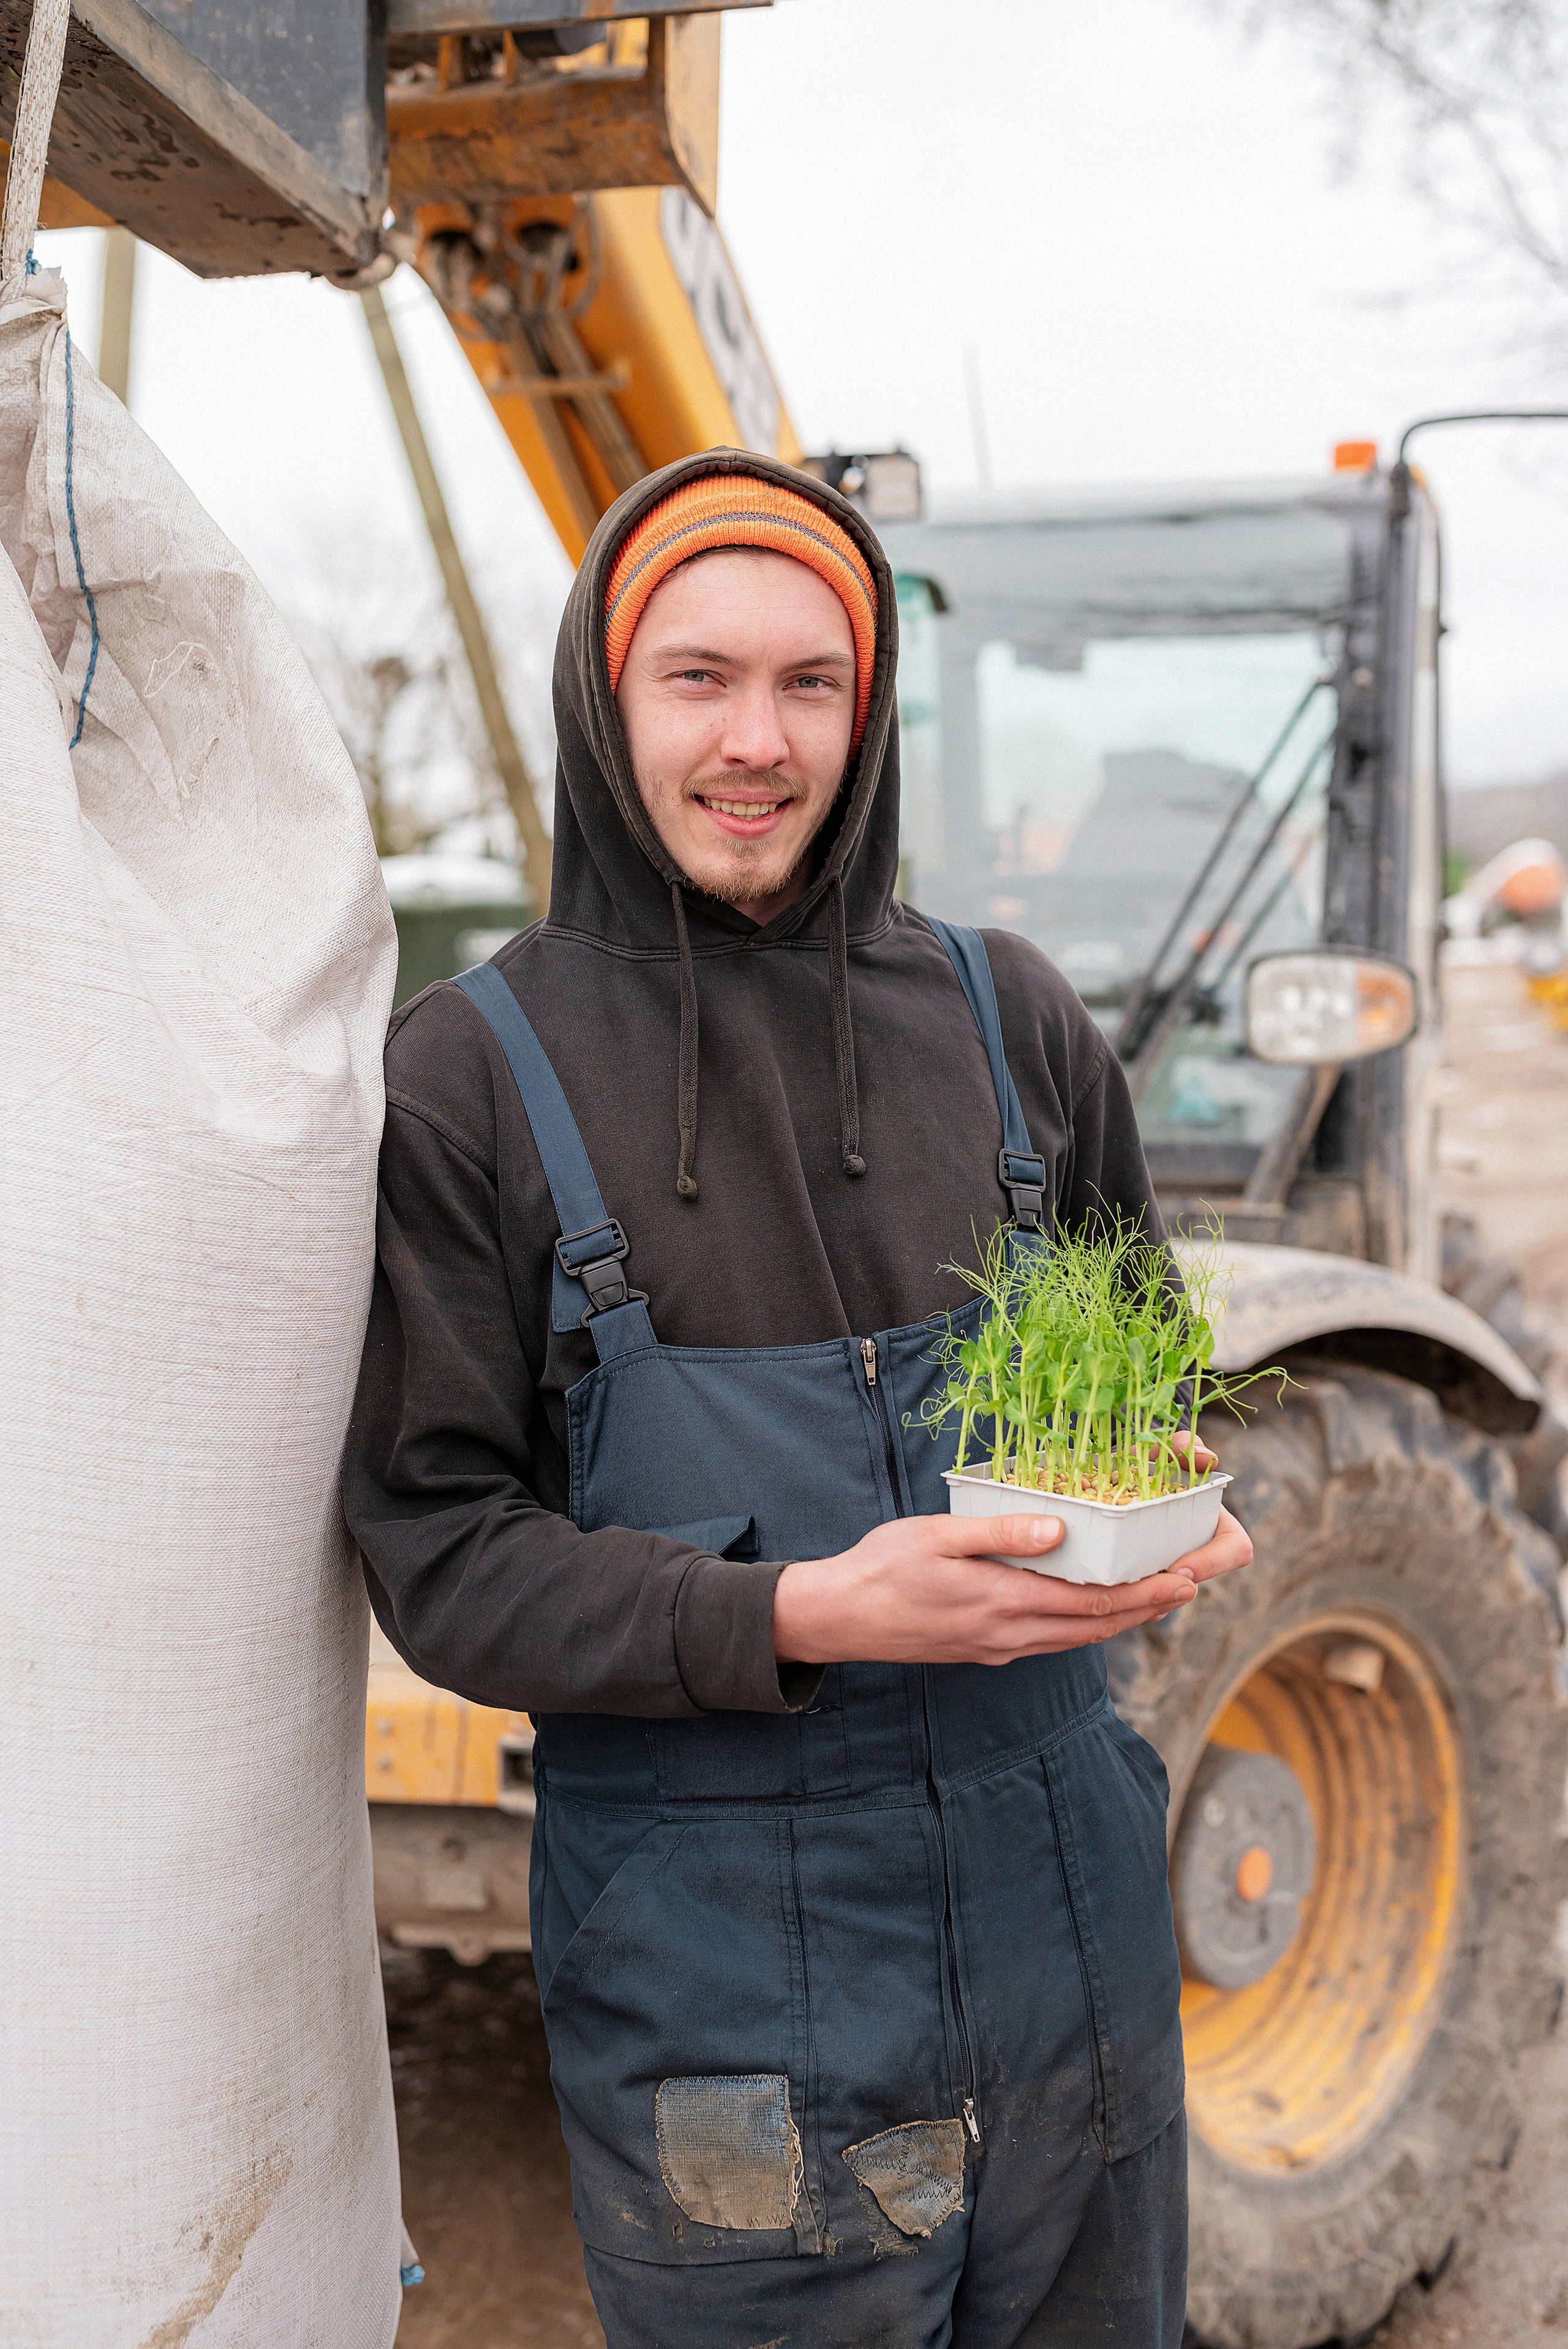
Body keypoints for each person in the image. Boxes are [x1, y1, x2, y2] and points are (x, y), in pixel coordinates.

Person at [345, 453, 1252, 2347]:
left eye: (808, 683)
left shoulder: (1016, 1025)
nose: (757, 742)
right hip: (724, 1984)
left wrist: (1170, 1495)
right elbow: (438, 1553)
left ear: (871, 706)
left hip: (1065, 1931)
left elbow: (1150, 1381)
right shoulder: (473, 1076)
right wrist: (798, 1611)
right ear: (608, 696)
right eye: (698, 678)